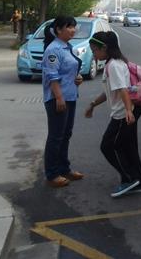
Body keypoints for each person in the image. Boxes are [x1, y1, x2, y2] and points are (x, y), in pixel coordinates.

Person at [85, 31, 141, 198]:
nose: (94, 54)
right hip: (127, 110)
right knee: (128, 147)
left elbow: (122, 89)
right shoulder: (113, 63)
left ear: (104, 48)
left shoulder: (114, 65)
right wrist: (93, 104)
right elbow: (110, 92)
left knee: (109, 146)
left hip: (123, 113)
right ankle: (140, 182)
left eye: (94, 50)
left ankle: (130, 178)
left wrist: (128, 111)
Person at [42, 15, 84, 188]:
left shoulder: (67, 47)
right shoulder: (53, 49)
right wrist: (59, 97)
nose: (73, 30)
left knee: (66, 135)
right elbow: (52, 76)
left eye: (74, 27)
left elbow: (69, 70)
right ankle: (52, 174)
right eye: (69, 27)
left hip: (70, 96)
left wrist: (78, 78)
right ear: (58, 29)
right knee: (56, 136)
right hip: (58, 99)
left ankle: (64, 169)